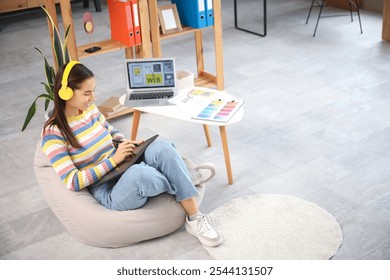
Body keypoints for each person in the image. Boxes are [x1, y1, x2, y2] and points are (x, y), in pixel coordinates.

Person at [41, 61, 223, 247]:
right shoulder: (53, 134)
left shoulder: (90, 111)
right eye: (87, 93)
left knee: (163, 148)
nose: (93, 98)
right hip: (106, 187)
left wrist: (125, 143)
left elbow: (110, 132)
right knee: (142, 175)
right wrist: (113, 160)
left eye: (93, 91)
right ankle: (186, 178)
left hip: (122, 162)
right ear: (66, 92)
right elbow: (72, 181)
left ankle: (194, 219)